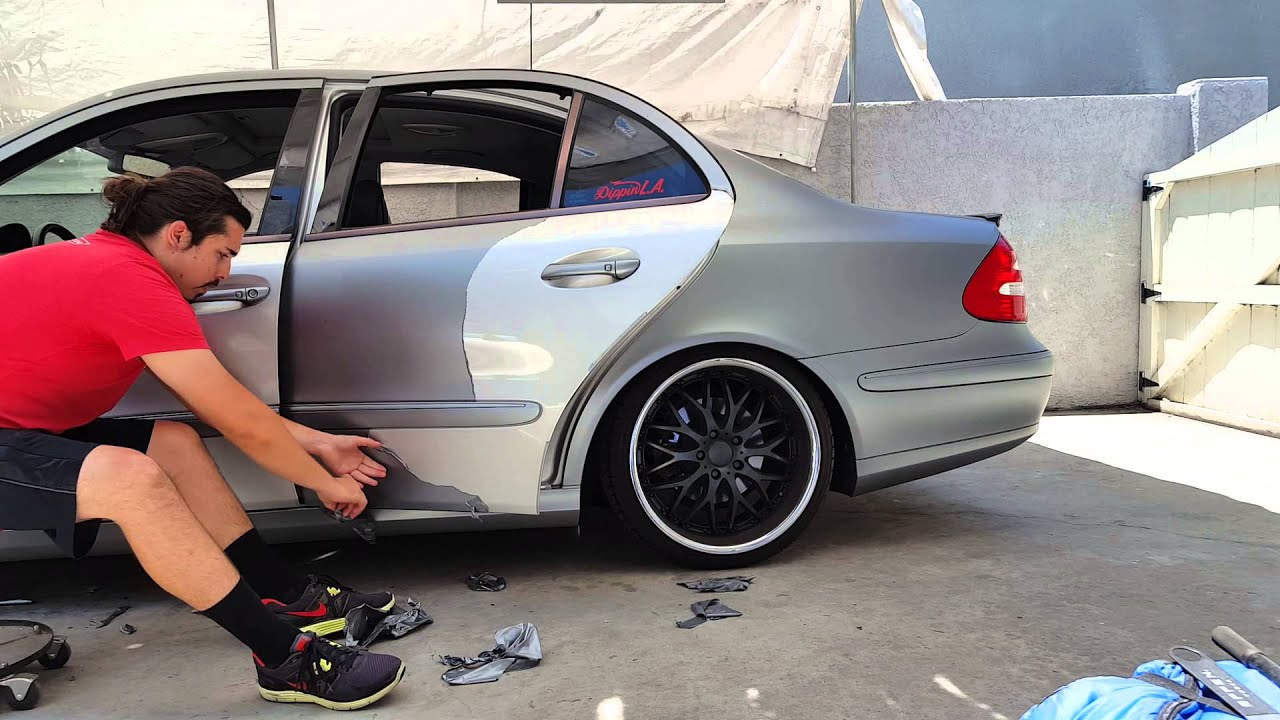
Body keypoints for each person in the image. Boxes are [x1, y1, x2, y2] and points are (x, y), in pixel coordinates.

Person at [0, 167, 406, 711]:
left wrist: (317, 443)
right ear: (178, 235)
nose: (225, 272)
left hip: (20, 428)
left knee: (172, 442)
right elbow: (237, 420)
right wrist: (322, 482)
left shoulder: (112, 265)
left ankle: (286, 594)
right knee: (130, 479)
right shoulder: (128, 280)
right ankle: (284, 659)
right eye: (222, 253)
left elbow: (219, 401)